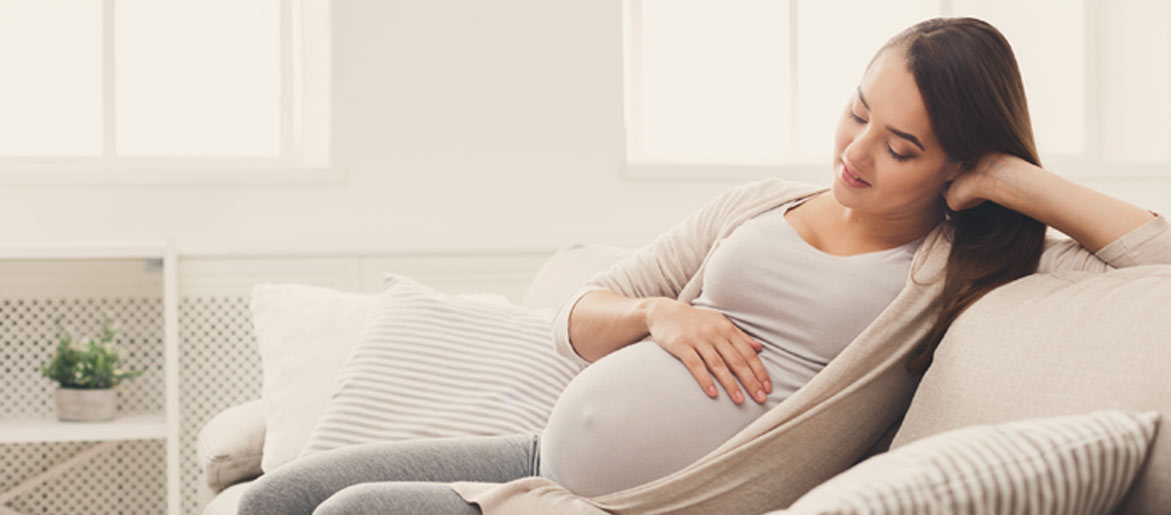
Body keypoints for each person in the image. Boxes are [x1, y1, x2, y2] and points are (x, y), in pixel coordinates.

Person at [238, 17, 1171, 515]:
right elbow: (578, 306)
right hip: (538, 457)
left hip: (651, 500)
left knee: (362, 512)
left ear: (956, 163)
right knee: (273, 498)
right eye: (856, 113)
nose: (854, 152)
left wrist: (1018, 180)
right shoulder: (754, 205)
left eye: (900, 147)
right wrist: (656, 316)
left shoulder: (954, 269)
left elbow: (1152, 255)